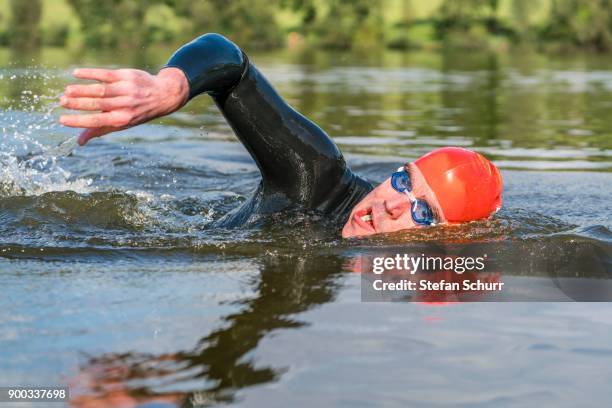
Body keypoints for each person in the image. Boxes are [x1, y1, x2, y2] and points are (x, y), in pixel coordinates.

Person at [59, 33, 503, 238]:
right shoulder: (318, 179)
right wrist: (171, 87)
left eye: (422, 212)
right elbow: (230, 62)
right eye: (404, 181)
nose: (390, 202)